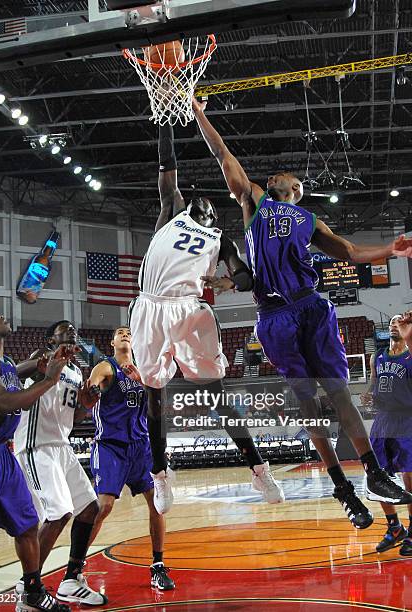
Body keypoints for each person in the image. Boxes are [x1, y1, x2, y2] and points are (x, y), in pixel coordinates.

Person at [192, 97, 412, 529]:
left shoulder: (310, 220)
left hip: (311, 307)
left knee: (340, 395)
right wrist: (199, 112)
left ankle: (372, 473)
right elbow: (222, 154)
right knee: (307, 405)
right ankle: (342, 488)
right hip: (273, 315)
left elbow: (349, 252)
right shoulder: (253, 202)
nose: (279, 174)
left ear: (296, 190)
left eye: (289, 177)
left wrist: (389, 249)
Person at [128, 123, 284, 514]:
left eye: (206, 207)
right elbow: (167, 164)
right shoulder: (171, 213)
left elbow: (247, 276)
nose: (199, 204)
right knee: (153, 397)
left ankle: (258, 469)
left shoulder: (221, 240)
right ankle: (161, 474)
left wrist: (227, 280)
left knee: (218, 397)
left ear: (213, 216)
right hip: (149, 306)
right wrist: (164, 117)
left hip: (189, 308)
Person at [0, 307, 72, 612]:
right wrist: (48, 379)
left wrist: (39, 365)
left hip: (2, 456)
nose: (1, 315)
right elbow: (2, 402)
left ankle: (33, 592)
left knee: (26, 526)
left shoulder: (5, 361)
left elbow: (14, 372)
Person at [13, 320, 107, 607]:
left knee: (90, 508)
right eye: (63, 330)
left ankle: (71, 579)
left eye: (73, 330)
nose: (71, 333)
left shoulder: (77, 372)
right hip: (35, 445)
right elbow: (16, 382)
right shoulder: (40, 358)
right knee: (58, 513)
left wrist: (86, 406)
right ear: (50, 338)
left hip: (61, 445)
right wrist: (42, 371)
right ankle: (30, 587)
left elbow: (71, 416)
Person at [87, 326, 175, 590]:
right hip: (111, 446)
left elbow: (160, 408)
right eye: (120, 332)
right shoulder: (106, 366)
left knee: (157, 504)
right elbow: (90, 391)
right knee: (103, 507)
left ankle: (158, 566)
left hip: (141, 446)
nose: (125, 334)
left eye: (129, 332)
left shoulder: (145, 371)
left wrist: (142, 382)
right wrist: (91, 390)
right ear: (112, 341)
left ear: (135, 341)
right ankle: (76, 565)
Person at [361, 315, 412, 554]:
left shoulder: (410, 354)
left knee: (409, 475)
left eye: (399, 322)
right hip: (383, 420)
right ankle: (394, 527)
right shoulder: (377, 356)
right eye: (391, 322)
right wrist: (369, 395)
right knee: (376, 476)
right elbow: (374, 383)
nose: (394, 324)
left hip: (407, 418)